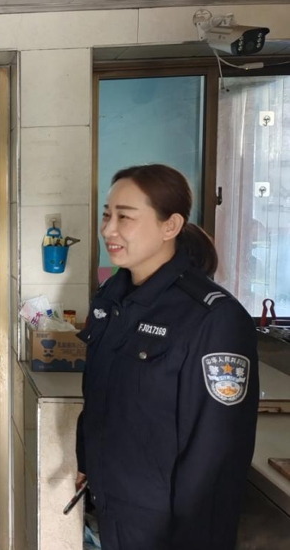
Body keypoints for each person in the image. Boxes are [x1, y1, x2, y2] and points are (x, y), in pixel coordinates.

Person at [76, 164, 259, 550]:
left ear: (170, 226)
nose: (108, 230)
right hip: (114, 506)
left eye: (125, 217)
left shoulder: (212, 317)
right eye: (107, 215)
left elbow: (215, 453)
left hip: (168, 527)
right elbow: (101, 396)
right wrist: (86, 461)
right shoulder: (111, 299)